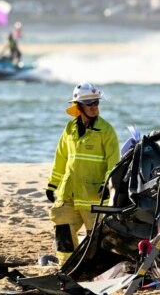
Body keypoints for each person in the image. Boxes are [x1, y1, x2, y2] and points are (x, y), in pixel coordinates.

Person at [46, 82, 119, 267]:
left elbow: (114, 162)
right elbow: (61, 158)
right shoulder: (70, 128)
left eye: (96, 103)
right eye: (90, 103)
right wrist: (53, 184)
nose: (95, 107)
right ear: (78, 106)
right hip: (68, 193)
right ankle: (66, 267)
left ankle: (94, 270)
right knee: (63, 232)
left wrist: (108, 184)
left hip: (93, 196)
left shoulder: (106, 130)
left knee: (96, 237)